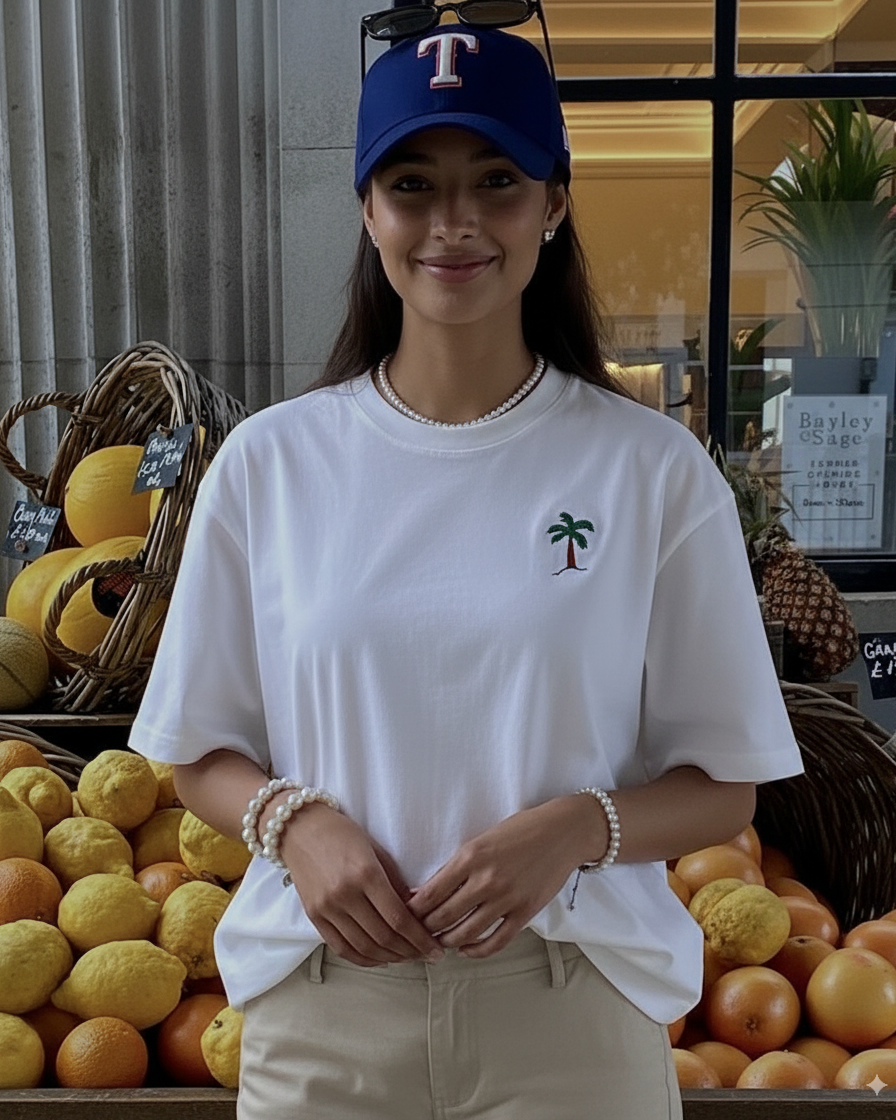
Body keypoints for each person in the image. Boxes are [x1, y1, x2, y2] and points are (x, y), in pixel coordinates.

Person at [129, 9, 804, 1119]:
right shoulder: (270, 464)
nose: (453, 223)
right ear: (365, 207)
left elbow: (718, 779)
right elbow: (199, 748)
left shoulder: (650, 470)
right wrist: (293, 820)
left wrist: (578, 827)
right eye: (412, 185)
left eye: (495, 179)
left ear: (553, 201)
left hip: (570, 1014)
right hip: (324, 1016)